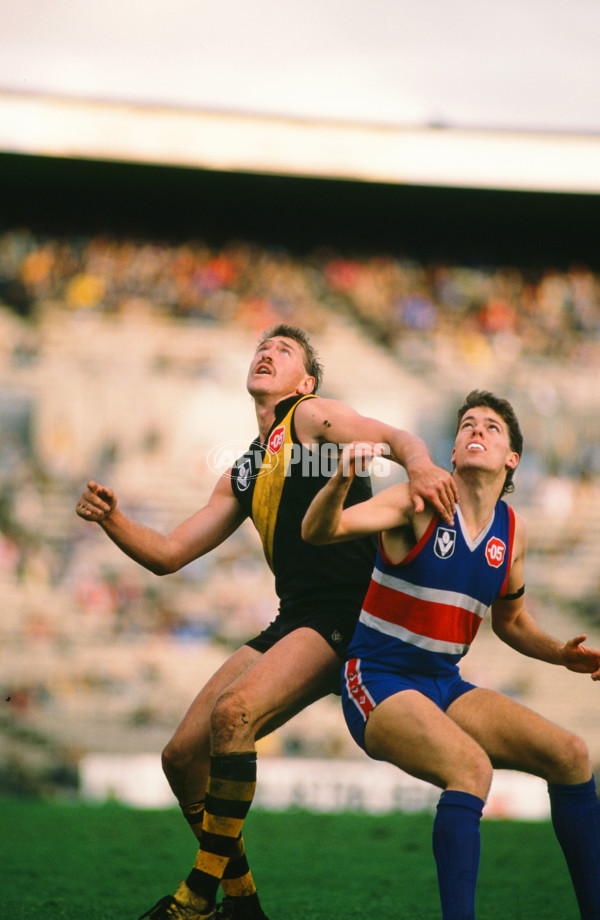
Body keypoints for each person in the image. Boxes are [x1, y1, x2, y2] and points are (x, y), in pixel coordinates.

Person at [75, 323, 458, 920]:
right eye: (262, 347)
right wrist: (113, 519)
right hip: (294, 619)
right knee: (181, 759)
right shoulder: (244, 468)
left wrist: (423, 464)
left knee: (235, 713)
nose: (266, 353)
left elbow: (391, 435)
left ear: (305, 381)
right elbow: (169, 555)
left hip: (345, 616)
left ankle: (196, 898)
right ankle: (243, 906)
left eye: (284, 352)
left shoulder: (309, 418)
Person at [302, 389, 600, 920]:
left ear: (512, 459)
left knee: (573, 757)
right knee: (471, 769)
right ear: (455, 447)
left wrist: (559, 654)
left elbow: (510, 622)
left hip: (444, 683)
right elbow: (317, 530)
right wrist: (340, 480)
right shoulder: (416, 501)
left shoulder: (512, 531)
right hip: (378, 677)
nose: (476, 431)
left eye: (491, 427)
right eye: (467, 424)